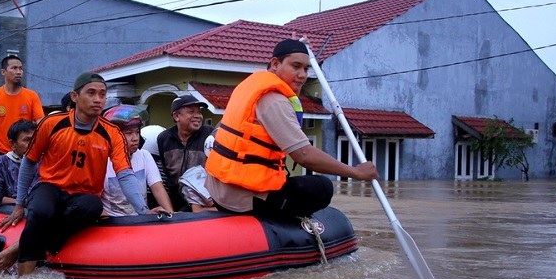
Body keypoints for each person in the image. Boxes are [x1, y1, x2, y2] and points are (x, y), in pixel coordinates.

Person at [0, 72, 150, 276]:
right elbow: (29, 162)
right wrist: (20, 205)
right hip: (50, 187)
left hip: (83, 195)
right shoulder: (52, 123)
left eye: (102, 94)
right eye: (91, 93)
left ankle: (17, 249)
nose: (98, 99)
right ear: (75, 97)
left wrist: (143, 211)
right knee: (40, 211)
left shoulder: (112, 133)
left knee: (94, 206)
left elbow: (125, 174)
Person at [205, 38, 379, 221]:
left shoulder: (246, 88)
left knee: (287, 180)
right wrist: (356, 172)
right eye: (296, 66)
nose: (303, 75)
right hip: (242, 198)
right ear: (275, 64)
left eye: (306, 68)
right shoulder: (274, 101)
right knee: (322, 188)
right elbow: (303, 155)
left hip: (218, 190)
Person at [100, 104, 175, 217]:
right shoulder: (100, 162)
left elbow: (158, 189)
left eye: (136, 132)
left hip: (141, 219)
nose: (135, 138)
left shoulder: (144, 156)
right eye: (129, 133)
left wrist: (171, 215)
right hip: (112, 223)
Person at [0, 55, 44, 171]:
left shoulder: (32, 96)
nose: (18, 72)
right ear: (3, 72)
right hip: (2, 156)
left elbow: (41, 123)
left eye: (21, 69)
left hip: (27, 155)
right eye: (14, 68)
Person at [155, 93, 215, 211]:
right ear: (177, 116)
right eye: (191, 112)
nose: (198, 116)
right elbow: (166, 175)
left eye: (199, 112)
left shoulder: (209, 134)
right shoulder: (164, 138)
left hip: (204, 202)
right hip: (175, 202)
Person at [0, 119, 38, 205]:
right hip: (10, 209)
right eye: (27, 140)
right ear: (13, 144)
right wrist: (21, 204)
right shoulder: (1, 162)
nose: (32, 144)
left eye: (34, 140)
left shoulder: (43, 160)